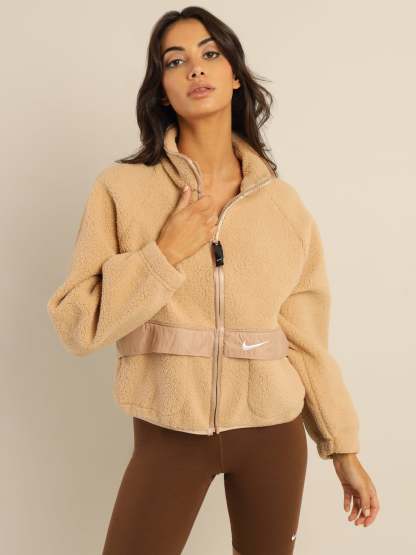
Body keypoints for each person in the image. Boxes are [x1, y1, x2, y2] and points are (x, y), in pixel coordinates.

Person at [47, 6, 380, 554]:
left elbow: (306, 340)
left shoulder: (283, 207)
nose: (195, 68)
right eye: (175, 61)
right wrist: (163, 253)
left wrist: (343, 448)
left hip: (273, 432)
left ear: (235, 76)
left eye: (210, 54)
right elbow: (75, 324)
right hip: (168, 430)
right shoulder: (121, 190)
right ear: (161, 89)